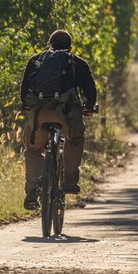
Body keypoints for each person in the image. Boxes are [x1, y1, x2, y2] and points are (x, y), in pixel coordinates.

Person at [18, 29, 98, 210]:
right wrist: (89, 106)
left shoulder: (36, 60)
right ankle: (70, 180)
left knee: (32, 150)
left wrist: (26, 105)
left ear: (49, 44)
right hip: (67, 115)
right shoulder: (77, 63)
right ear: (70, 47)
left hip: (39, 115)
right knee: (75, 139)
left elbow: (24, 89)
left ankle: (32, 191)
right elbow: (90, 91)